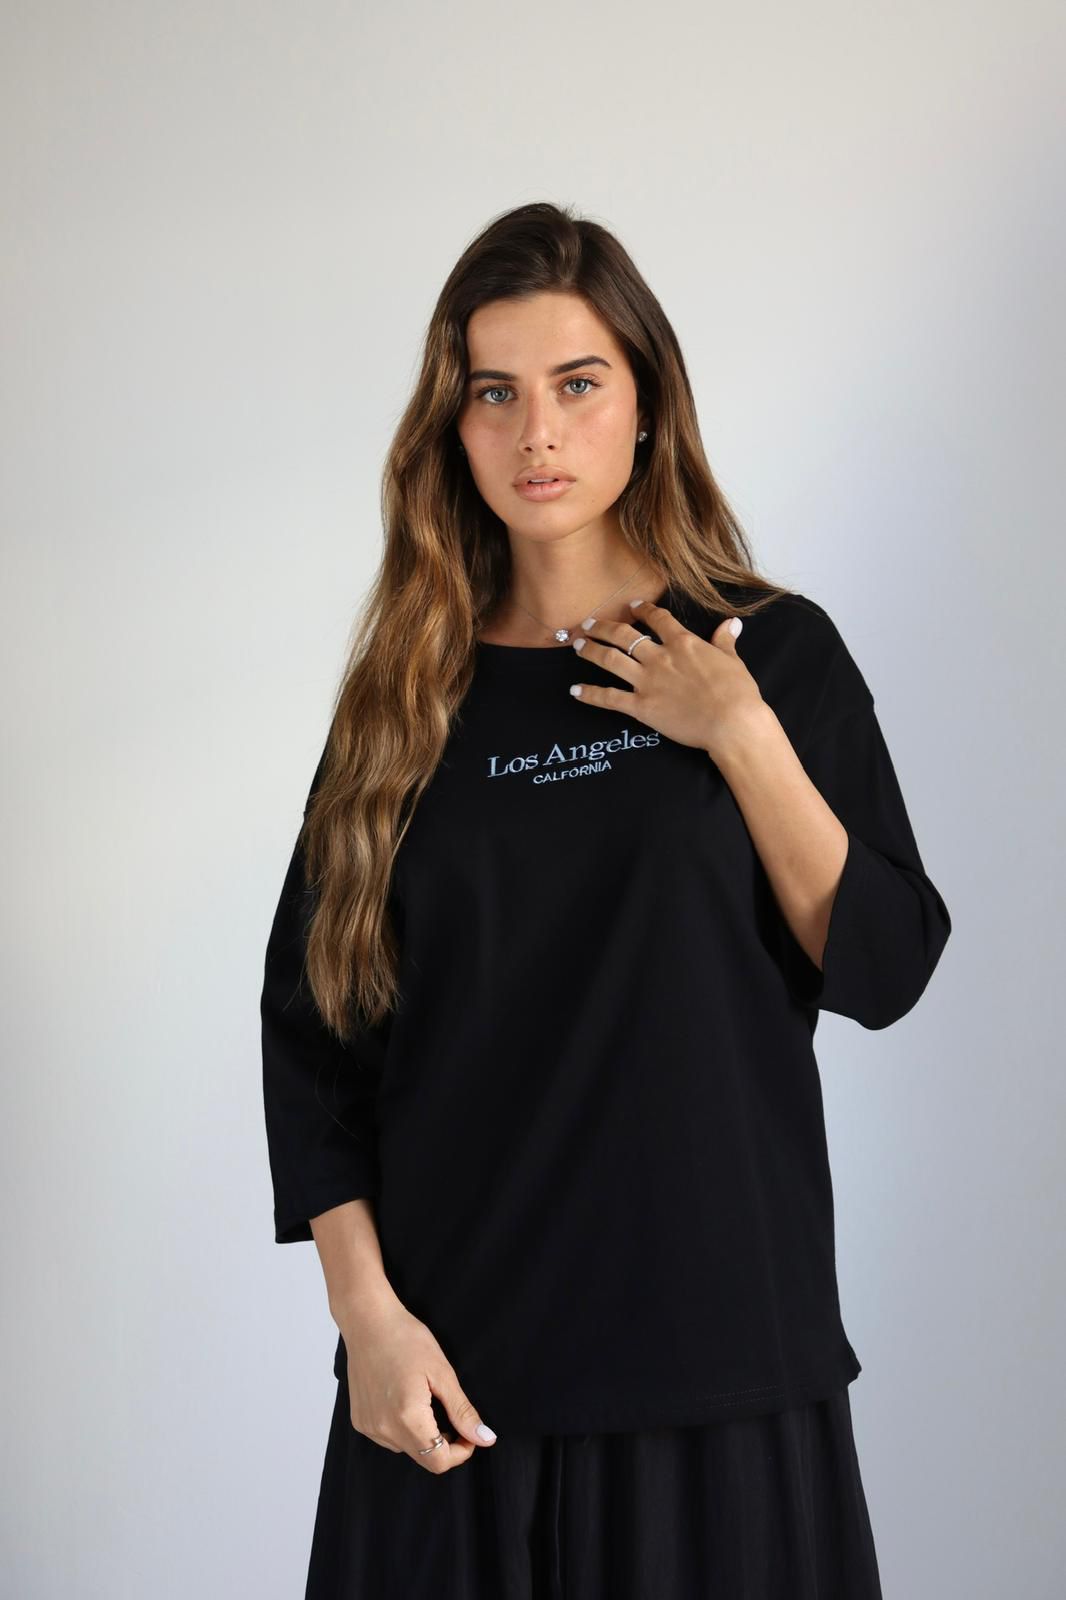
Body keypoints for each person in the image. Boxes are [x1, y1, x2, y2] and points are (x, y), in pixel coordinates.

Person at [260, 200, 951, 1598]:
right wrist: (367, 1323)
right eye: (494, 394)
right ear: (452, 429)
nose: (538, 433)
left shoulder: (772, 654)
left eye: (577, 385)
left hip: (721, 1362)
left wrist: (739, 731)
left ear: (647, 404)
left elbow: (883, 969)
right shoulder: (406, 698)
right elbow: (317, 1038)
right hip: (452, 1389)